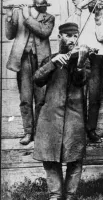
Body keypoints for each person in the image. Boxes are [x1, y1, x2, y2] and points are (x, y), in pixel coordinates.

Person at [33, 22, 92, 200]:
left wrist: (80, 64)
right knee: (50, 158)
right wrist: (52, 63)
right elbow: (37, 79)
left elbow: (80, 81)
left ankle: (71, 195)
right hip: (50, 116)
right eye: (68, 36)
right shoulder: (49, 59)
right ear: (60, 37)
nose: (72, 40)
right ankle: (55, 195)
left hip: (74, 116)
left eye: (75, 36)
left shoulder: (83, 59)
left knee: (75, 158)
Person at [5, 0, 55, 145]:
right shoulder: (18, 13)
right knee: (25, 98)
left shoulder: (49, 17)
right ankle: (28, 132)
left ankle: (40, 132)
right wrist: (9, 17)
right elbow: (9, 35)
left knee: (41, 99)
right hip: (23, 59)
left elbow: (43, 32)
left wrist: (27, 16)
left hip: (42, 61)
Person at [66, 0, 103, 143]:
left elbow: (101, 36)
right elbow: (72, 35)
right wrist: (79, 9)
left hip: (97, 57)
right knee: (79, 95)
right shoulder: (73, 16)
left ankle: (91, 129)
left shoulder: (97, 12)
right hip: (80, 56)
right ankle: (78, 129)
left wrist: (98, 17)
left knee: (95, 95)